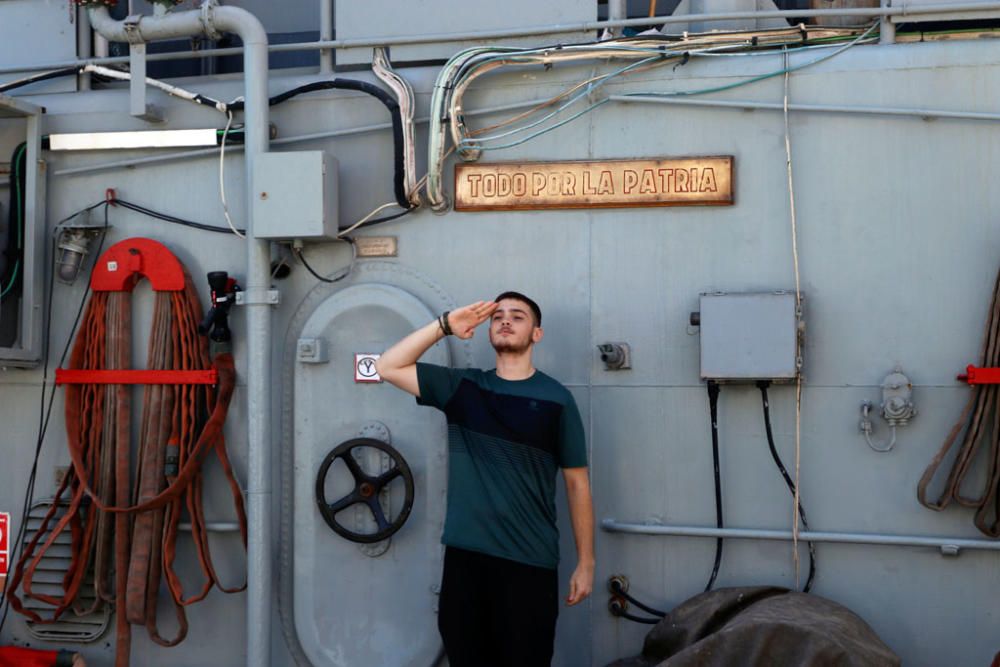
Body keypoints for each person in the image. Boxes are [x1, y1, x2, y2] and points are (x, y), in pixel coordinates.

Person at [376, 292, 594, 667]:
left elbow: (577, 484)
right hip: (466, 560)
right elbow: (388, 366)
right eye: (498, 317)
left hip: (530, 562)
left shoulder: (557, 400)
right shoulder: (463, 388)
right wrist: (444, 325)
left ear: (536, 334)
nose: (505, 321)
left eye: (518, 316)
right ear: (487, 331)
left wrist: (586, 562)